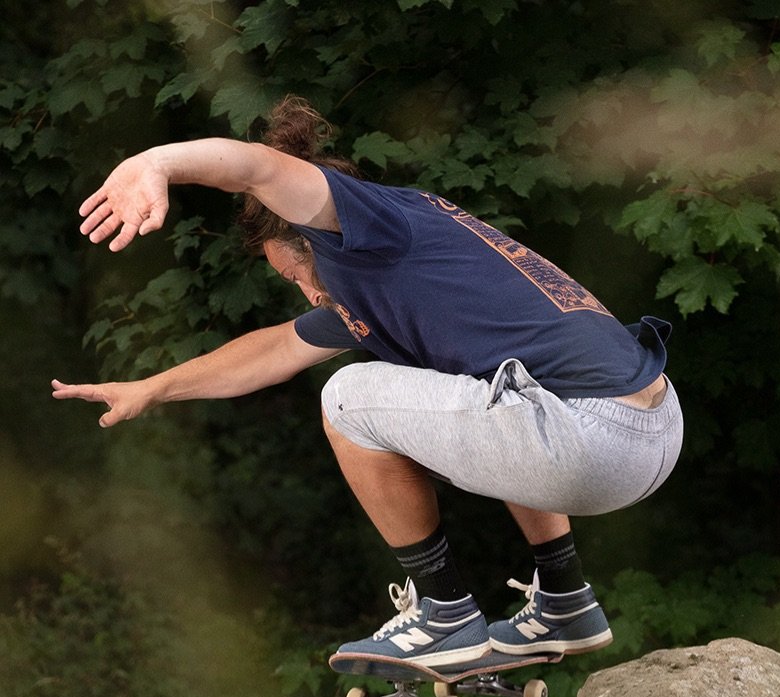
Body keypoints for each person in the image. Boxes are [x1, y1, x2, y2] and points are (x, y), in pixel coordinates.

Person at [52, 97, 683, 668]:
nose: (303, 291)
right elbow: (272, 350)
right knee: (492, 385)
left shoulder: (368, 225)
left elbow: (254, 168)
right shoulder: (398, 275)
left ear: (311, 235)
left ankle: (445, 614)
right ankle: (566, 599)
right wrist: (152, 388)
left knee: (346, 396)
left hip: (590, 438)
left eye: (290, 274)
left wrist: (155, 161)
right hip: (650, 425)